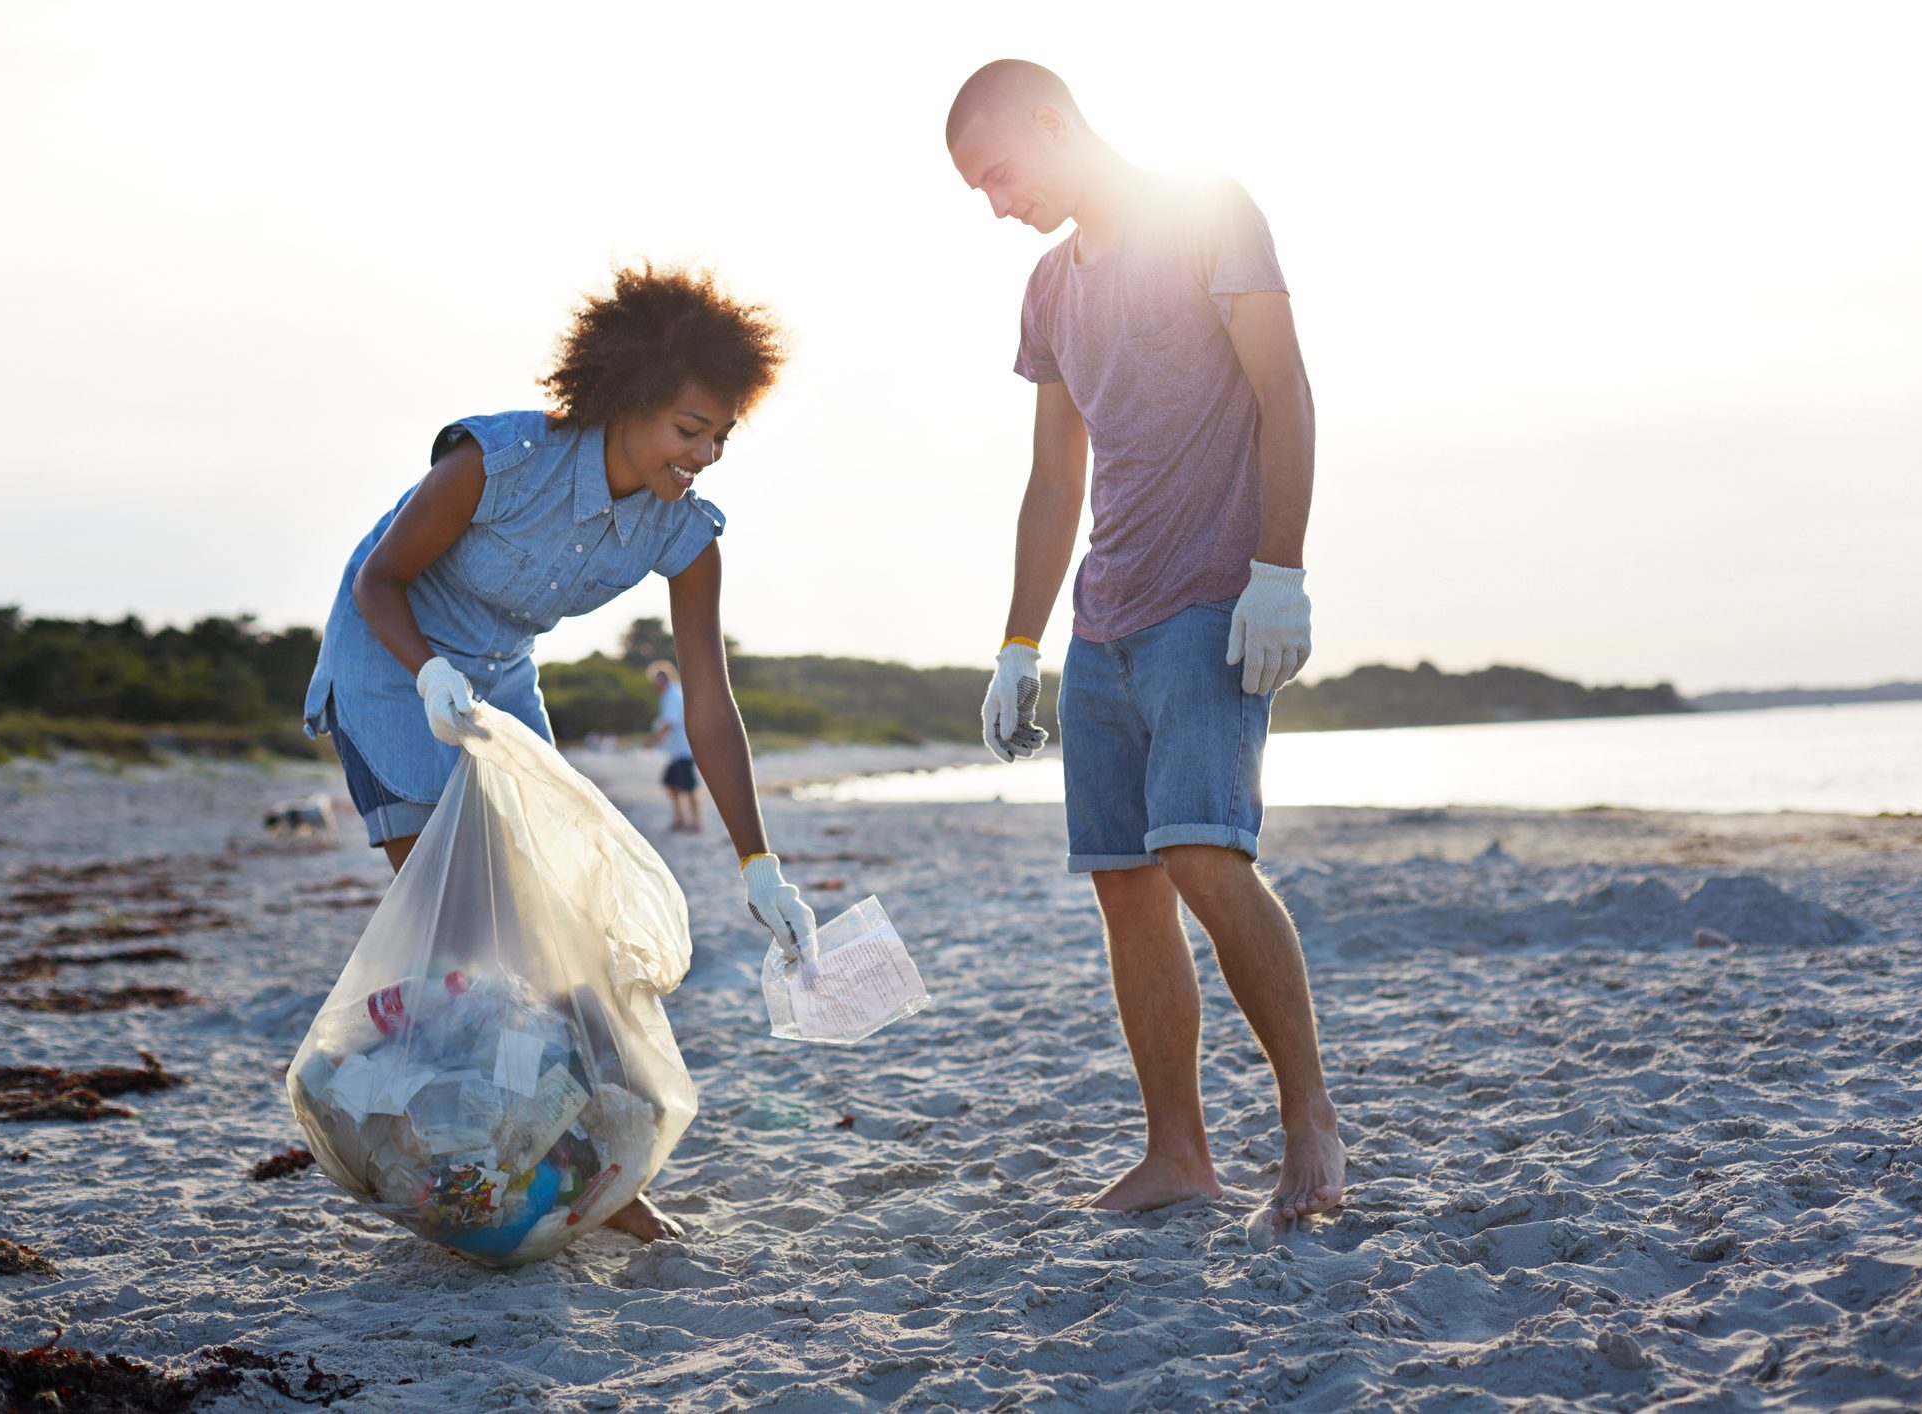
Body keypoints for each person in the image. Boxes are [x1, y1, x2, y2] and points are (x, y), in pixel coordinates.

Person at [302, 263, 819, 1242]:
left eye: (721, 435)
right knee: (465, 936)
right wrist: (424, 673)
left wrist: (762, 863)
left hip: (496, 674)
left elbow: (710, 701)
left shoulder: (684, 531)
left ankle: (593, 1176)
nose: (705, 452)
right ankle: (434, 1146)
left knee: (557, 926)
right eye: (688, 427)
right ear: (628, 400)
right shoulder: (498, 461)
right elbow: (380, 581)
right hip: (389, 654)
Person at [945, 61, 1346, 1223]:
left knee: (1207, 859)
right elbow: (1054, 473)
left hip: (1211, 604)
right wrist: (1021, 643)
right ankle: (1179, 1154)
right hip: (1103, 624)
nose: (995, 201)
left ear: (1054, 123)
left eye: (999, 172)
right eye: (976, 189)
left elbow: (1287, 390)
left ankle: (1308, 1117)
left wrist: (1281, 571)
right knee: (1126, 889)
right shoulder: (1048, 291)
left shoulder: (1209, 213)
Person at [643, 658, 701, 832]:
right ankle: (681, 818)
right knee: (671, 783)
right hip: (678, 751)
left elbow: (670, 723)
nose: (654, 684)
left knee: (689, 788)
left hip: (683, 750)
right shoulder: (672, 694)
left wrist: (652, 740)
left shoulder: (672, 695)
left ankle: (696, 822)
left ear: (661, 679)